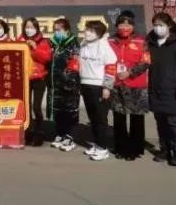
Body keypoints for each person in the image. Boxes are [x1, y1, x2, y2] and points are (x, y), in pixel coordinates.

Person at [147, 12, 176, 167]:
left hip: (173, 90)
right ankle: (164, 150)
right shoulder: (151, 42)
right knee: (160, 122)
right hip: (155, 88)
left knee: (173, 123)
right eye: (155, 25)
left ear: (169, 26)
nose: (157, 28)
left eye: (161, 25)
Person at [108, 11, 150, 161]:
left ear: (133, 26)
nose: (125, 27)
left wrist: (130, 73)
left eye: (128, 24)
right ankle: (120, 148)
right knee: (119, 118)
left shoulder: (141, 41)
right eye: (121, 24)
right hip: (117, 85)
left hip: (136, 85)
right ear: (117, 25)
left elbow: (146, 62)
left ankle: (135, 149)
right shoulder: (110, 41)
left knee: (136, 118)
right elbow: (106, 60)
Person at [78, 20, 117, 161]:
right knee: (93, 118)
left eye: (92, 31)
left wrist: (107, 87)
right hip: (85, 84)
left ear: (99, 34)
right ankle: (97, 143)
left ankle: (103, 148)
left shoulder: (104, 46)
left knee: (100, 119)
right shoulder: (83, 44)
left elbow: (111, 67)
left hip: (99, 86)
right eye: (87, 30)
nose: (88, 33)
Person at [17, 17, 52, 146]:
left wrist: (35, 47)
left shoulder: (43, 41)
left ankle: (39, 132)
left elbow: (46, 58)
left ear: (36, 28)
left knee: (36, 106)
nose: (29, 30)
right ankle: (28, 131)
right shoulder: (20, 40)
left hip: (39, 78)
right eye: (27, 27)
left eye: (32, 27)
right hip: (24, 78)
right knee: (26, 107)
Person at [47, 18, 80, 152]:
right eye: (55, 30)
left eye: (59, 30)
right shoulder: (54, 43)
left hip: (69, 84)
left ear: (66, 30)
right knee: (58, 110)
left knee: (70, 111)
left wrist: (68, 78)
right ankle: (60, 134)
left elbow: (76, 63)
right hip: (56, 84)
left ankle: (70, 136)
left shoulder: (73, 42)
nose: (56, 32)